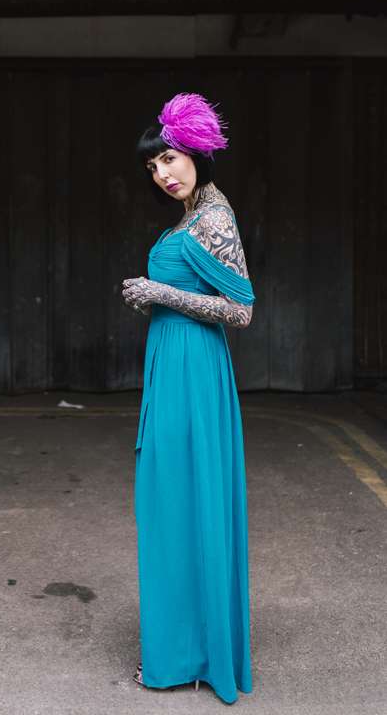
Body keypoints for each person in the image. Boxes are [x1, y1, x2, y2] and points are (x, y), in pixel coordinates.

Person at [122, 91, 255, 705]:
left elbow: (242, 310)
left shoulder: (214, 218)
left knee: (181, 498)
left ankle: (190, 656)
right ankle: (185, 649)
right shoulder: (190, 217)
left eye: (169, 159)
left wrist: (160, 293)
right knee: (170, 499)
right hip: (174, 366)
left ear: (196, 153)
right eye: (153, 166)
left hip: (195, 372)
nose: (162, 173)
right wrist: (155, 297)